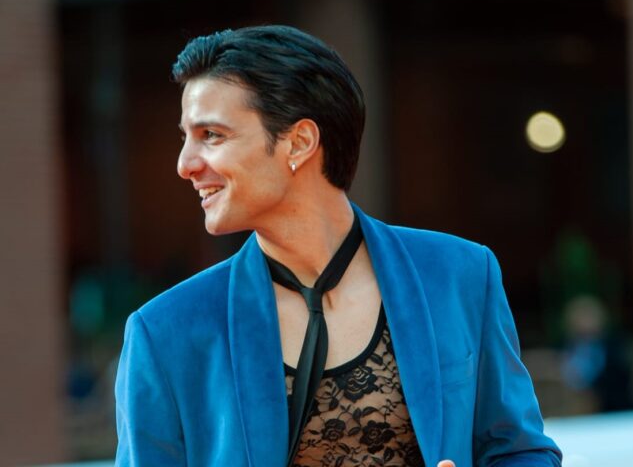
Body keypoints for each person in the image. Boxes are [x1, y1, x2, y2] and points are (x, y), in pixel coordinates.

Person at [114, 25, 562, 467]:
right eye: (186, 137)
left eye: (211, 135)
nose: (185, 164)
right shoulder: (164, 331)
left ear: (300, 142)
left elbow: (521, 452)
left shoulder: (460, 273)